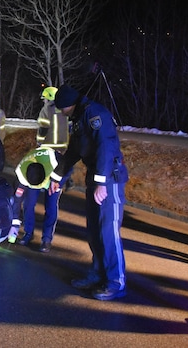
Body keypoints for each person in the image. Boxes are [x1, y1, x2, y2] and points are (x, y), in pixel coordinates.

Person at [48, 84, 129, 301]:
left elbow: (106, 146)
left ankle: (115, 282)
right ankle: (98, 274)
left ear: (68, 105)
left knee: (108, 232)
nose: (61, 113)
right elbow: (74, 151)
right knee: (94, 230)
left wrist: (102, 182)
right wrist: (57, 178)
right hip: (96, 178)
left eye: (61, 109)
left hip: (109, 180)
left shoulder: (94, 114)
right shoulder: (80, 117)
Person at [10, 146, 69, 253]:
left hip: (53, 175)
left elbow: (67, 165)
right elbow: (17, 201)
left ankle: (46, 239)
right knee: (28, 204)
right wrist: (14, 225)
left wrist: (57, 181)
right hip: (37, 173)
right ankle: (28, 234)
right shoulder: (21, 172)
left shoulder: (56, 161)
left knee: (51, 206)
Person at [37, 86, 69, 152]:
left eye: (44, 99)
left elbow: (43, 128)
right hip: (63, 145)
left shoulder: (47, 108)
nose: (43, 101)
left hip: (48, 145)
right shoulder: (65, 108)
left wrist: (39, 142)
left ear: (49, 97)